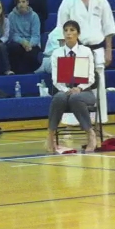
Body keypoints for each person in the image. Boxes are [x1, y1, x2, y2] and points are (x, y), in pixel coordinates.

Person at [46, 20, 98, 154]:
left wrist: (79, 88)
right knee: (59, 98)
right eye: (66, 30)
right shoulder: (57, 53)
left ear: (78, 34)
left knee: (75, 98)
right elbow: (55, 79)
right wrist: (66, 90)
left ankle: (90, 134)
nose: (69, 33)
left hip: (84, 91)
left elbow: (91, 76)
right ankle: (50, 136)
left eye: (72, 30)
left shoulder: (86, 51)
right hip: (65, 90)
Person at [56, 0, 115, 69]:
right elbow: (61, 31)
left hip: (98, 50)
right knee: (80, 83)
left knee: (100, 82)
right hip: (76, 51)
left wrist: (108, 50)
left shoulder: (101, 0)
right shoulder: (67, 3)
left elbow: (108, 26)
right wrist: (65, 56)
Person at [6, 0, 42, 74]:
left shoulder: (34, 16)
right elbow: (12, 34)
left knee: (31, 54)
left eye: (23, 2)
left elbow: (36, 35)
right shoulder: (11, 16)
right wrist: (22, 42)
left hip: (32, 43)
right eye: (19, 2)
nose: (21, 4)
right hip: (18, 42)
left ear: (27, 3)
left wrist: (29, 44)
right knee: (15, 49)